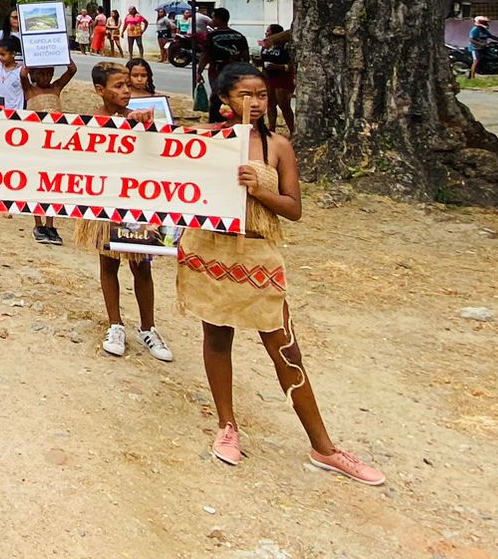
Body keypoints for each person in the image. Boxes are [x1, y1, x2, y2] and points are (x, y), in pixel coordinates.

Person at [177, 64, 384, 485]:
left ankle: (324, 447)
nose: (254, 103)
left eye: (262, 95)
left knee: (285, 348)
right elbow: (152, 160)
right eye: (244, 95)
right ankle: (227, 426)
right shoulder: (203, 140)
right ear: (224, 100)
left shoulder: (278, 146)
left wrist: (261, 190)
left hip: (258, 255)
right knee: (217, 339)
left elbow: (294, 208)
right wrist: (144, 124)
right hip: (210, 249)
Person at [73, 63, 171, 363]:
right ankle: (115, 324)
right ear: (100, 90)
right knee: (109, 264)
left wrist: (143, 125)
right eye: (118, 86)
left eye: (128, 84)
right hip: (105, 202)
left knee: (142, 265)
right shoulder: (90, 122)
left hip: (138, 202)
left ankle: (147, 327)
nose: (126, 90)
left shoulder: (141, 119)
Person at [24, 59, 77, 245]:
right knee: (37, 184)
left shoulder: (56, 88)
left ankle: (50, 225)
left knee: (53, 184)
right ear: (33, 74)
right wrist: (32, 57)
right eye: (40, 73)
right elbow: (22, 74)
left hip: (55, 142)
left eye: (48, 73)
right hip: (36, 142)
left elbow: (72, 69)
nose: (45, 77)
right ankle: (38, 224)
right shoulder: (29, 90)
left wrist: (60, 53)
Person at [201, 8, 250, 121]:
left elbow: (205, 55)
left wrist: (199, 71)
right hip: (236, 71)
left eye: (213, 18)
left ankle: (215, 121)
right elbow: (246, 57)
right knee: (233, 95)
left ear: (218, 19)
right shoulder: (239, 36)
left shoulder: (211, 36)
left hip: (218, 70)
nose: (212, 20)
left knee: (217, 96)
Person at [258, 24, 296, 133]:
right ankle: (271, 130)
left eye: (268, 31)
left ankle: (292, 130)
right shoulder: (265, 45)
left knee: (283, 105)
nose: (266, 33)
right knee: (270, 104)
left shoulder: (286, 46)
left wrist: (279, 67)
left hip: (283, 78)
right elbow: (263, 58)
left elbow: (292, 64)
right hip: (269, 77)